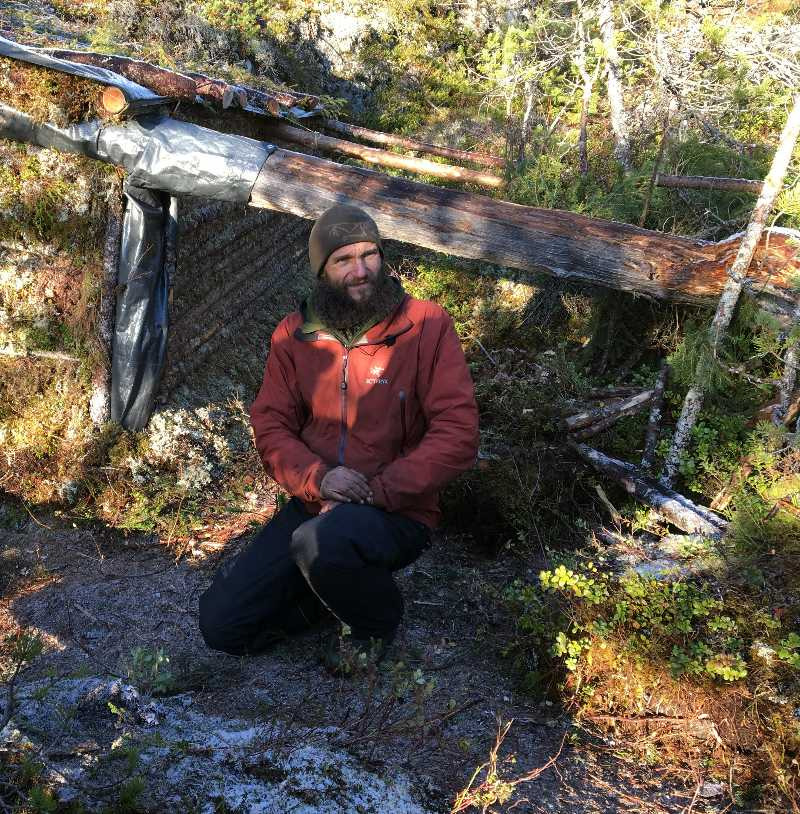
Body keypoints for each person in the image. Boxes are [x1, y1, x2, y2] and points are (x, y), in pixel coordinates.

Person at [198, 204, 479, 667]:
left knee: (321, 543)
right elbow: (271, 425)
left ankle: (377, 619)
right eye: (344, 259)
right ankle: (330, 593)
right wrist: (319, 478)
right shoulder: (293, 336)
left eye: (370, 254)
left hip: (397, 511)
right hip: (315, 502)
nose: (361, 270)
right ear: (321, 270)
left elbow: (458, 432)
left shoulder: (426, 325)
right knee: (222, 625)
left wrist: (376, 492)